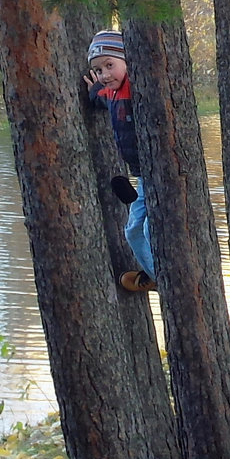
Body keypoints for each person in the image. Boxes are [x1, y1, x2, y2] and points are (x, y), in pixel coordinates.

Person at [84, 30, 156, 292]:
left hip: (157, 174)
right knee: (133, 231)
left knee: (150, 230)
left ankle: (158, 273)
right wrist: (93, 89)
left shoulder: (135, 88)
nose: (105, 74)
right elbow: (99, 99)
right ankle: (154, 274)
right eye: (99, 69)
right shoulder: (110, 93)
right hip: (142, 174)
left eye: (110, 65)